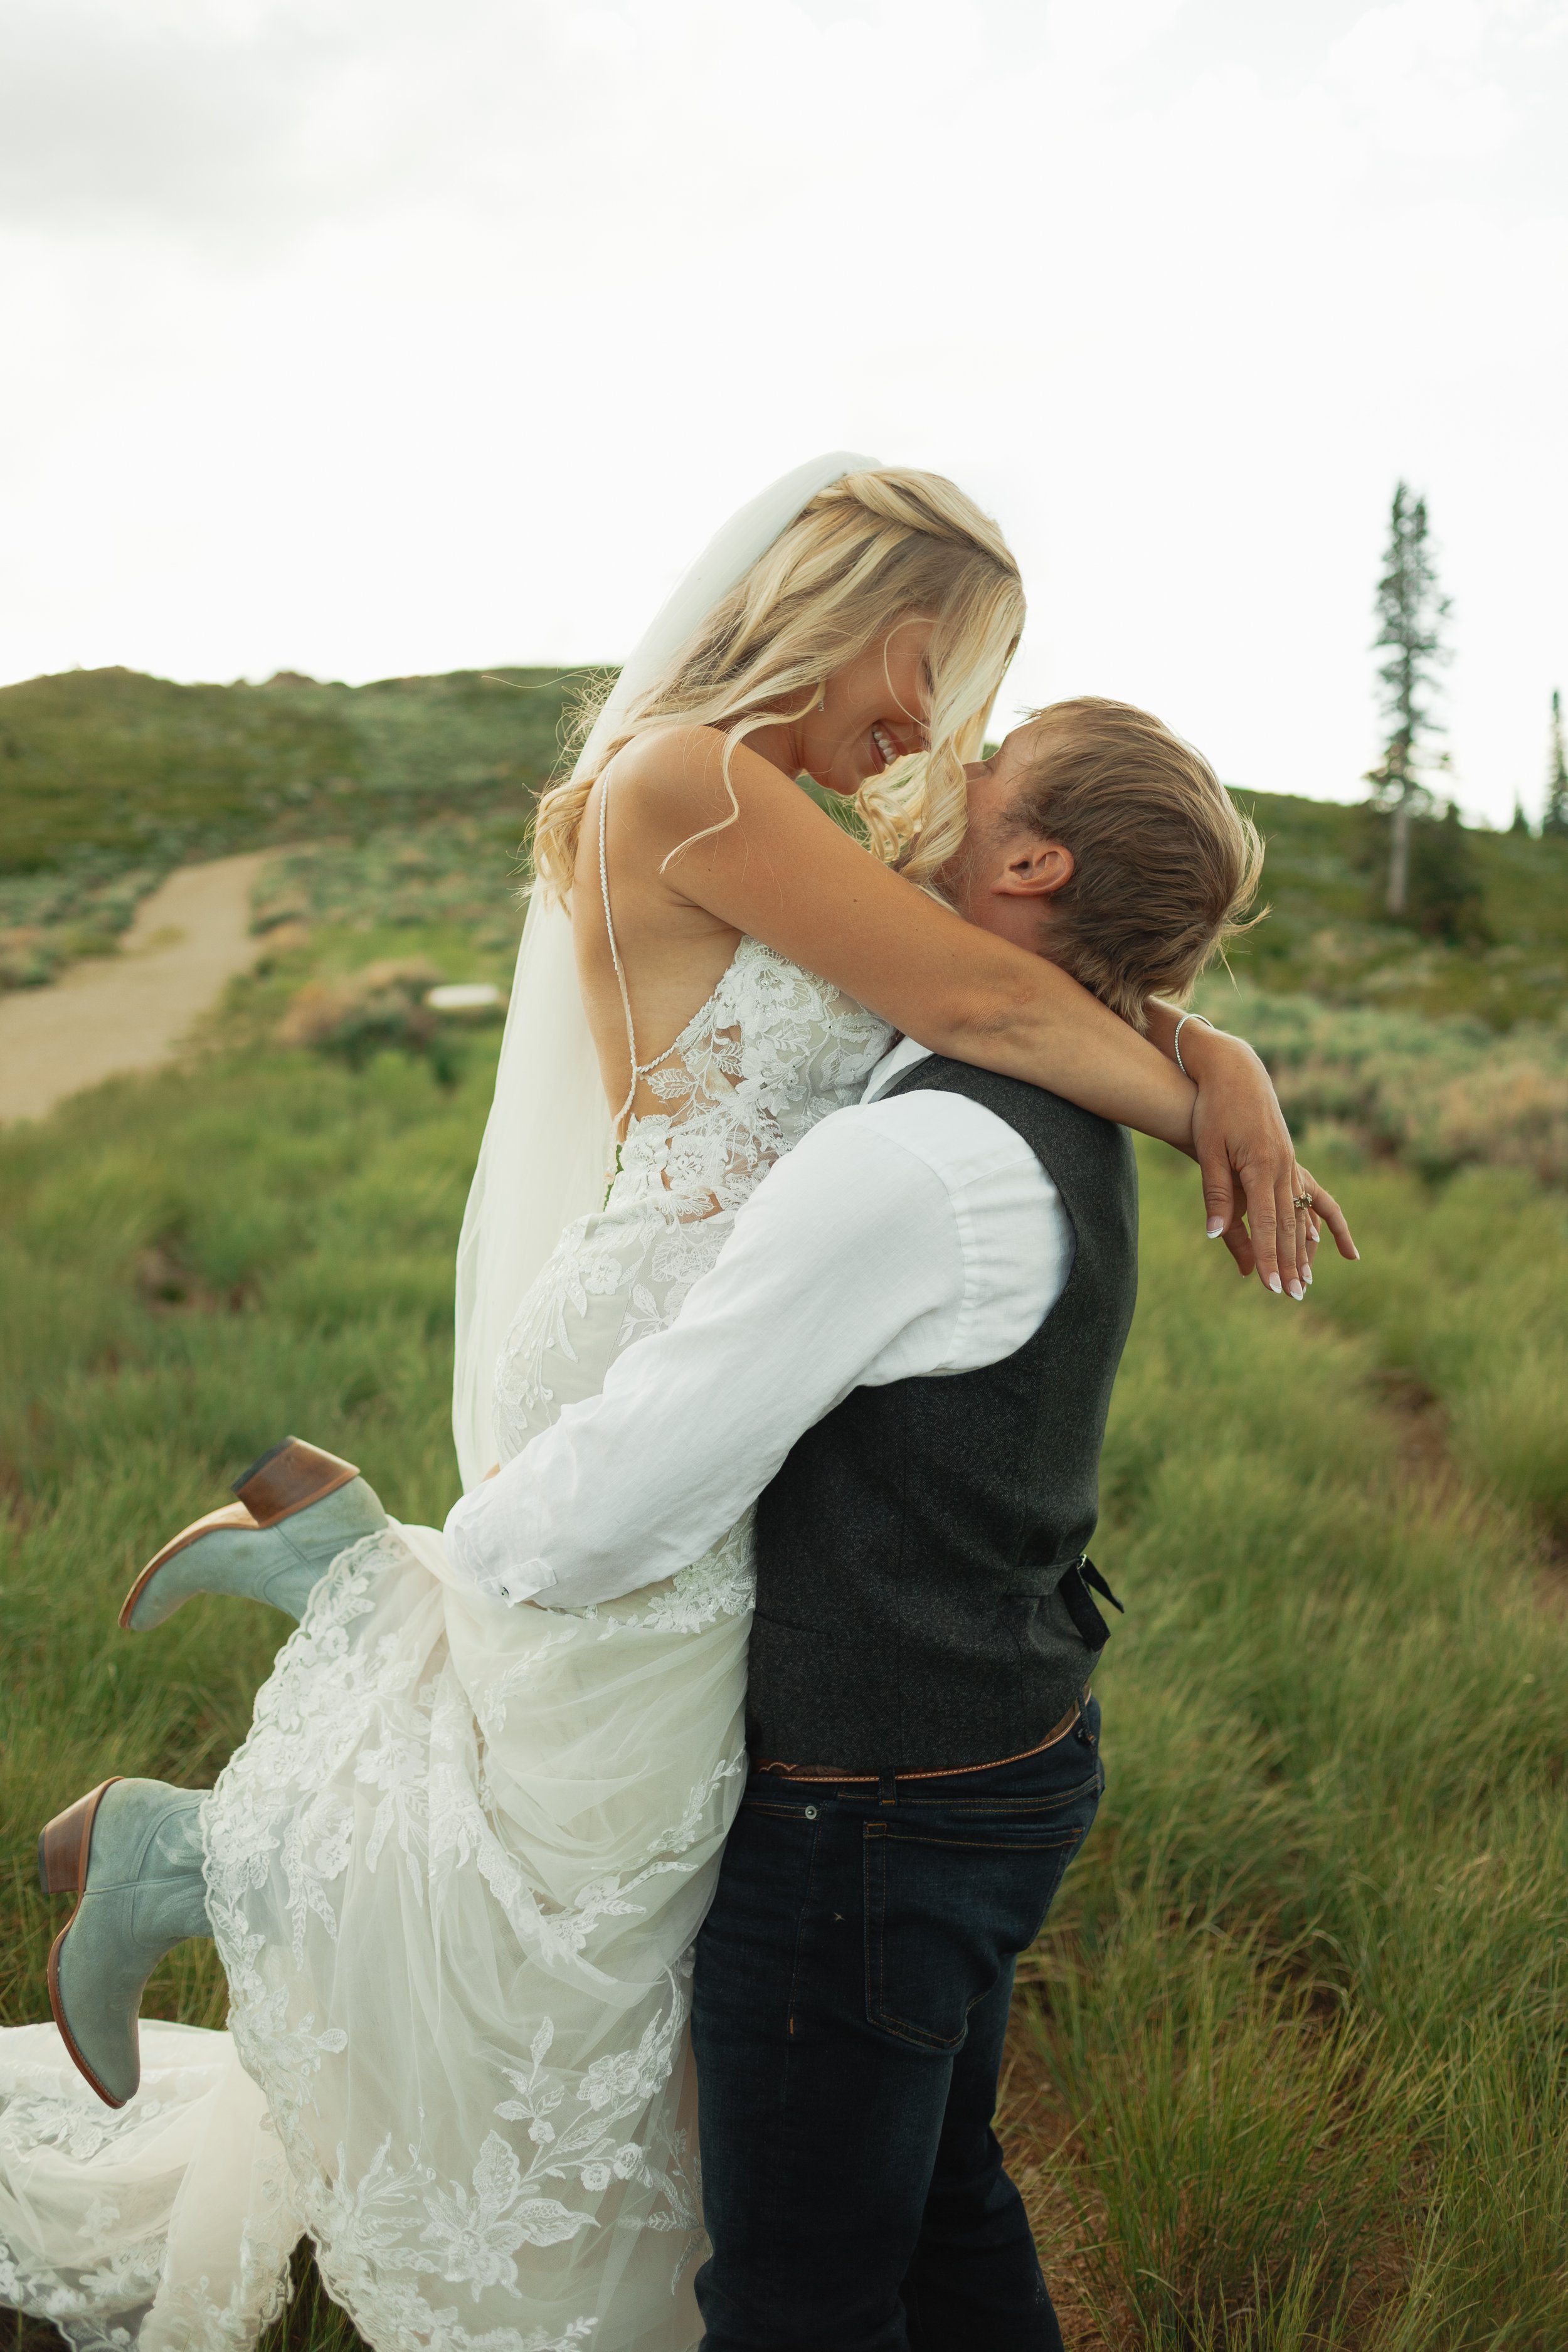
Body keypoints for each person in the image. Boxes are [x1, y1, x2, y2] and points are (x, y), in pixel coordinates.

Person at [5, 458, 1347, 2352]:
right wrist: (1220, 1097)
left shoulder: (795, 816)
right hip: (671, 1336)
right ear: (874, 605)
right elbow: (1021, 1005)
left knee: (607, 1854)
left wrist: (1221, 1048)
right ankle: (220, 1819)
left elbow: (1041, 977)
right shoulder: (695, 785)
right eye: (949, 668)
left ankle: (303, 1644)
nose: (937, 725)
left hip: (745, 1352)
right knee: (591, 1868)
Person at [438, 696, 1355, 2351]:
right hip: (990, 1755)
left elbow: (650, 1477)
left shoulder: (916, 1157)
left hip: (869, 1813)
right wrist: (1215, 1050)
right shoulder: (1027, 1095)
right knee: (940, 2206)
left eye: (990, 770)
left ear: (1027, 861)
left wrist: (469, 1550)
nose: (948, 758)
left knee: (798, 2294)